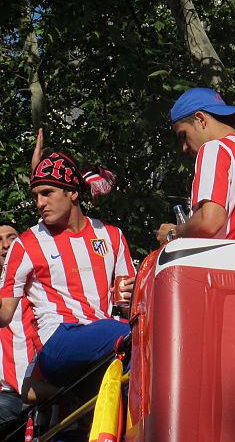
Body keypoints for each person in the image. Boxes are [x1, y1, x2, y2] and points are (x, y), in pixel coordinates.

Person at [0, 152, 135, 400]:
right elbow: (4, 313)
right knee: (136, 334)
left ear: (72, 192)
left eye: (47, 193)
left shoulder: (112, 235)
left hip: (103, 345)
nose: (39, 203)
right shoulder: (25, 243)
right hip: (57, 344)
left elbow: (129, 305)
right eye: (36, 195)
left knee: (137, 361)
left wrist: (139, 295)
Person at [156, 88, 235, 244]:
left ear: (200, 119)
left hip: (227, 259)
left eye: (183, 135)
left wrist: (174, 232)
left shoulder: (215, 149)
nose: (184, 147)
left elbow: (209, 222)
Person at [0, 224, 37, 438]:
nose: (5, 245)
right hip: (7, 395)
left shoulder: (38, 288)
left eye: (11, 238)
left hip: (38, 389)